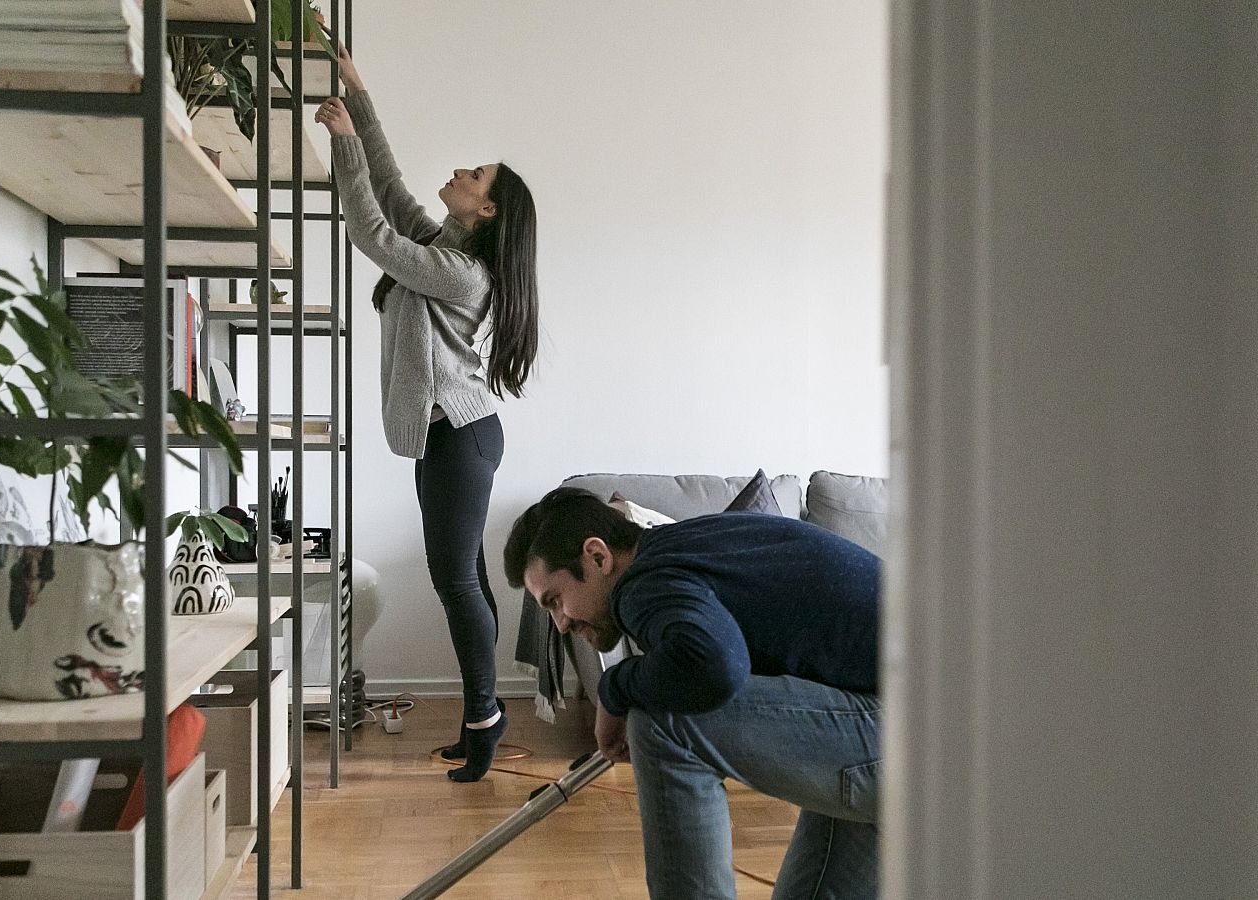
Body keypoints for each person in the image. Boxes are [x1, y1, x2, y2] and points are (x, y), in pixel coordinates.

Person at [315, 47, 539, 783]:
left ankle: (483, 718)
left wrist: (342, 141)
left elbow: (372, 234)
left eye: (474, 176)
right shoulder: (444, 245)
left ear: (488, 208)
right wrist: (360, 94)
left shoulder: (465, 273)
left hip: (461, 439)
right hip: (451, 436)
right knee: (464, 576)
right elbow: (391, 190)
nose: (460, 173)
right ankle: (486, 714)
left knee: (455, 582)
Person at [503, 488, 881, 899]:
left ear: (597, 557)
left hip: (923, 732)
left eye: (556, 600)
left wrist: (614, 689)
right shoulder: (683, 550)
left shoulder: (644, 582)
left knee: (663, 722)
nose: (559, 623)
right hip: (922, 724)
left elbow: (713, 665)